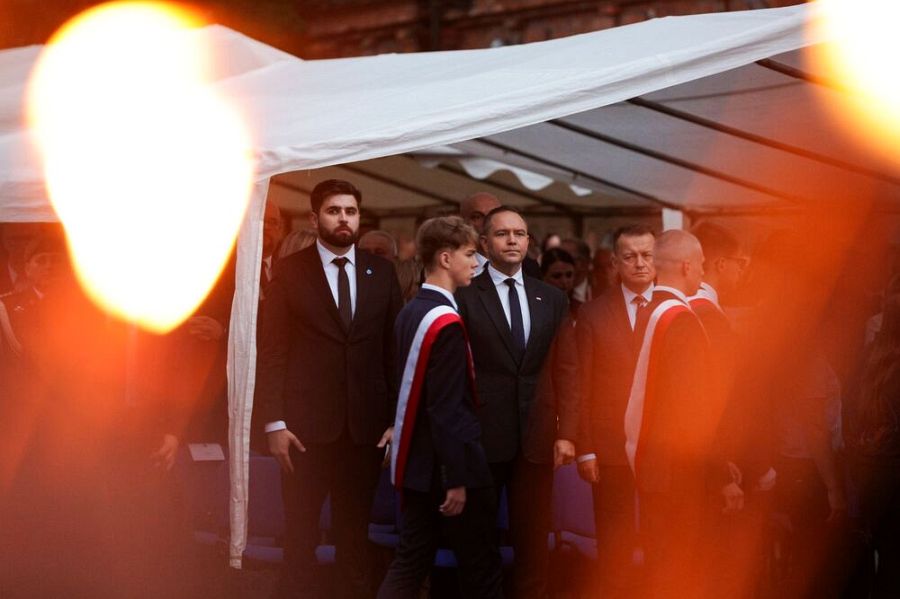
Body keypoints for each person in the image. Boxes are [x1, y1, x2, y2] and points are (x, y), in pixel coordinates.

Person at [256, 179, 403, 598]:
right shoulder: (290, 271)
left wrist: (396, 420)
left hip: (365, 432)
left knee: (355, 542)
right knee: (300, 540)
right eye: (334, 211)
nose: (343, 219)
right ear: (314, 218)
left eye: (350, 211)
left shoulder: (381, 273)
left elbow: (393, 352)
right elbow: (272, 352)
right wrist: (274, 423)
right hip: (303, 432)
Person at [455, 205, 577, 598]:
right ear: (484, 243)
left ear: (528, 242)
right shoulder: (464, 295)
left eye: (520, 234)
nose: (512, 240)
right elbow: (454, 372)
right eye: (503, 233)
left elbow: (567, 370)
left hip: (537, 439)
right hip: (482, 438)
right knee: (479, 544)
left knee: (533, 545)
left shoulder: (552, 298)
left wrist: (567, 433)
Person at [377, 216, 502, 599]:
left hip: (418, 463)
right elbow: (447, 408)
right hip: (449, 467)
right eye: (470, 254)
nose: (476, 262)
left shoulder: (411, 310)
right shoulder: (444, 322)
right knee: (481, 568)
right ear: (445, 258)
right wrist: (456, 477)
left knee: (410, 561)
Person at [627, 229, 718, 599]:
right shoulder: (681, 320)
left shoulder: (645, 311)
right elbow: (689, 403)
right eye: (701, 265)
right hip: (678, 468)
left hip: (651, 460)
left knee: (659, 563)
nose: (703, 272)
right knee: (677, 566)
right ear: (686, 266)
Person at [574, 224, 655, 598]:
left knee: (662, 539)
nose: (639, 263)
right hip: (609, 448)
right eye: (630, 256)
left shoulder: (673, 308)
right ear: (615, 263)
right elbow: (582, 385)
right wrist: (586, 448)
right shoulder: (593, 313)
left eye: (646, 255)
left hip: (664, 447)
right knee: (614, 544)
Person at [846, 282, 900, 598]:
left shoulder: (869, 361)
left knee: (885, 559)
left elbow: (849, 414)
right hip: (893, 478)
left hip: (871, 478)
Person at [540, 247, 577, 318]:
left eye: (569, 275)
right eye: (557, 276)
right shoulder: (536, 309)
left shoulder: (580, 307)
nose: (564, 281)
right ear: (543, 277)